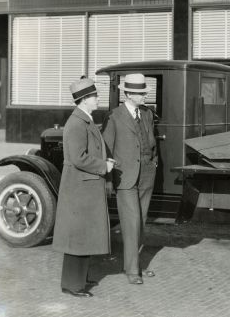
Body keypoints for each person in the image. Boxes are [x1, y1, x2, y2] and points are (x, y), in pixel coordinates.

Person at [52, 77, 115, 298]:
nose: (98, 98)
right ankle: (72, 285)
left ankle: (79, 279)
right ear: (85, 99)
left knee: (83, 236)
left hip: (85, 187)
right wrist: (103, 166)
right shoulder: (77, 123)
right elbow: (78, 158)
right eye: (95, 95)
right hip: (80, 188)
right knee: (77, 237)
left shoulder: (84, 120)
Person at [102, 73, 158, 285]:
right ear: (128, 94)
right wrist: (108, 180)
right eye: (141, 93)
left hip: (146, 173)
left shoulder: (147, 114)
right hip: (124, 176)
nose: (145, 96)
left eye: (144, 93)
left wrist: (153, 163)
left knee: (141, 222)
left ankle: (138, 265)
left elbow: (152, 142)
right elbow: (106, 150)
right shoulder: (113, 116)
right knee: (132, 221)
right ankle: (132, 270)